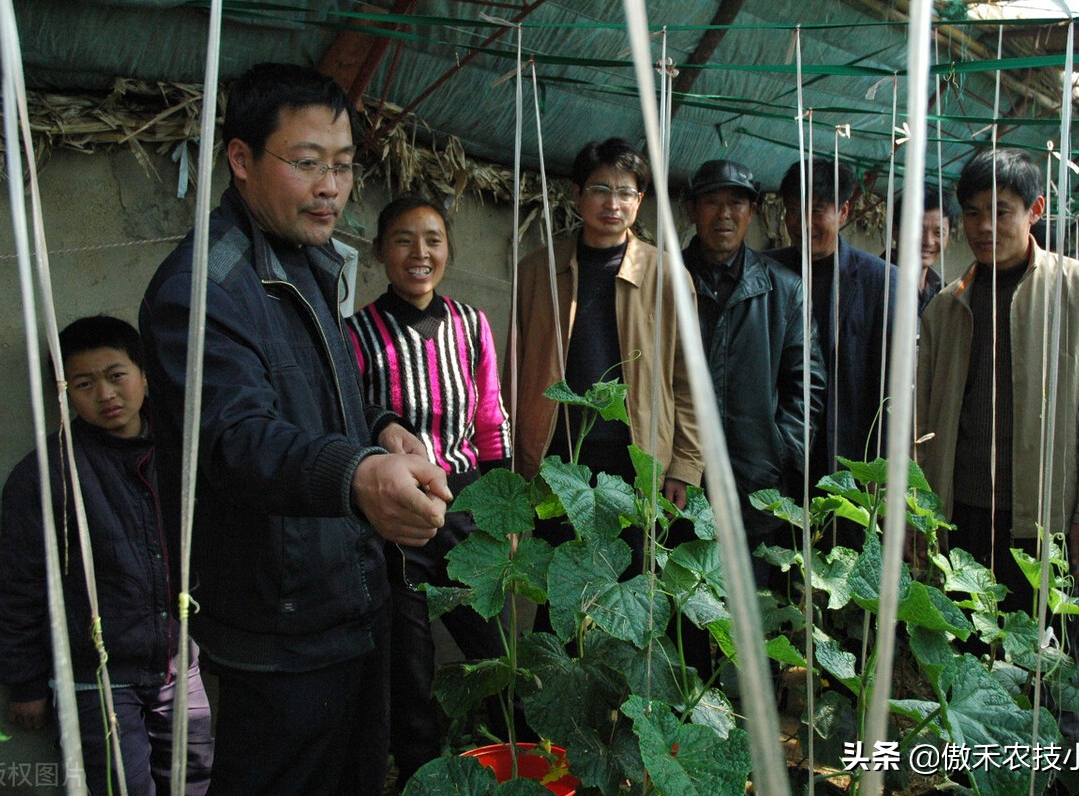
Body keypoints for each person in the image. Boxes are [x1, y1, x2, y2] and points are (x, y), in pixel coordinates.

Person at [139, 63, 449, 795]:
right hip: (277, 625)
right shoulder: (203, 290)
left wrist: (384, 428)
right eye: (307, 164)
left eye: (342, 166)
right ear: (241, 160)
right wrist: (356, 473)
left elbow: (322, 399)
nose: (331, 188)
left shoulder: (307, 260)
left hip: (347, 597)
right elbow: (236, 438)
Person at [0, 315, 214, 795]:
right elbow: (18, 583)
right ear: (64, 393)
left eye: (116, 376)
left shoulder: (183, 450)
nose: (106, 395)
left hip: (178, 664)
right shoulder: (48, 473)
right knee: (121, 787)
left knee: (192, 780)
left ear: (145, 373)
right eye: (84, 384)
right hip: (96, 678)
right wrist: (25, 682)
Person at [345, 194, 511, 785]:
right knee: (408, 664)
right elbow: (348, 418)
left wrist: (503, 513)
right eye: (404, 239)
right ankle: (423, 773)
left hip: (467, 507)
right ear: (380, 251)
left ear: (448, 251)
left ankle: (516, 763)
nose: (420, 253)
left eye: (433, 240)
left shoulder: (471, 324)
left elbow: (492, 418)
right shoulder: (356, 332)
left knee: (494, 650)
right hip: (396, 518)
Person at [916, 148, 1079, 617]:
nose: (985, 226)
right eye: (972, 213)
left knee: (1039, 665)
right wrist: (918, 512)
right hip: (961, 512)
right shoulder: (947, 308)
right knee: (965, 655)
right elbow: (922, 422)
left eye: (1000, 211)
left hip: (1044, 516)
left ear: (1036, 211)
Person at [514, 137, 702, 570]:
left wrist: (685, 466)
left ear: (639, 201)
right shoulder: (538, 271)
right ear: (577, 195)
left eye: (626, 192)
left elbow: (688, 380)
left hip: (635, 456)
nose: (612, 203)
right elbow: (517, 368)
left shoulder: (667, 275)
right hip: (557, 453)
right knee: (557, 583)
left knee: (628, 578)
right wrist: (519, 459)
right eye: (601, 189)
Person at [681, 159, 825, 590]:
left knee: (752, 622)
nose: (724, 214)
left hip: (757, 485)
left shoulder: (785, 289)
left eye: (736, 203)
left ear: (753, 211)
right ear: (692, 210)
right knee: (683, 617)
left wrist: (780, 454)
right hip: (681, 480)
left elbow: (807, 387)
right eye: (712, 202)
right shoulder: (666, 277)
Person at [766, 157, 897, 533]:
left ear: (843, 211)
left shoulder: (882, 282)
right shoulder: (766, 273)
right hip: (782, 461)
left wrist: (883, 474)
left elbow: (890, 390)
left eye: (817, 209)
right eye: (793, 210)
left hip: (851, 464)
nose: (802, 222)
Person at [889, 183, 959, 315]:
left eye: (938, 233)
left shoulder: (944, 293)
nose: (928, 241)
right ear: (895, 231)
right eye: (918, 230)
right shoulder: (873, 283)